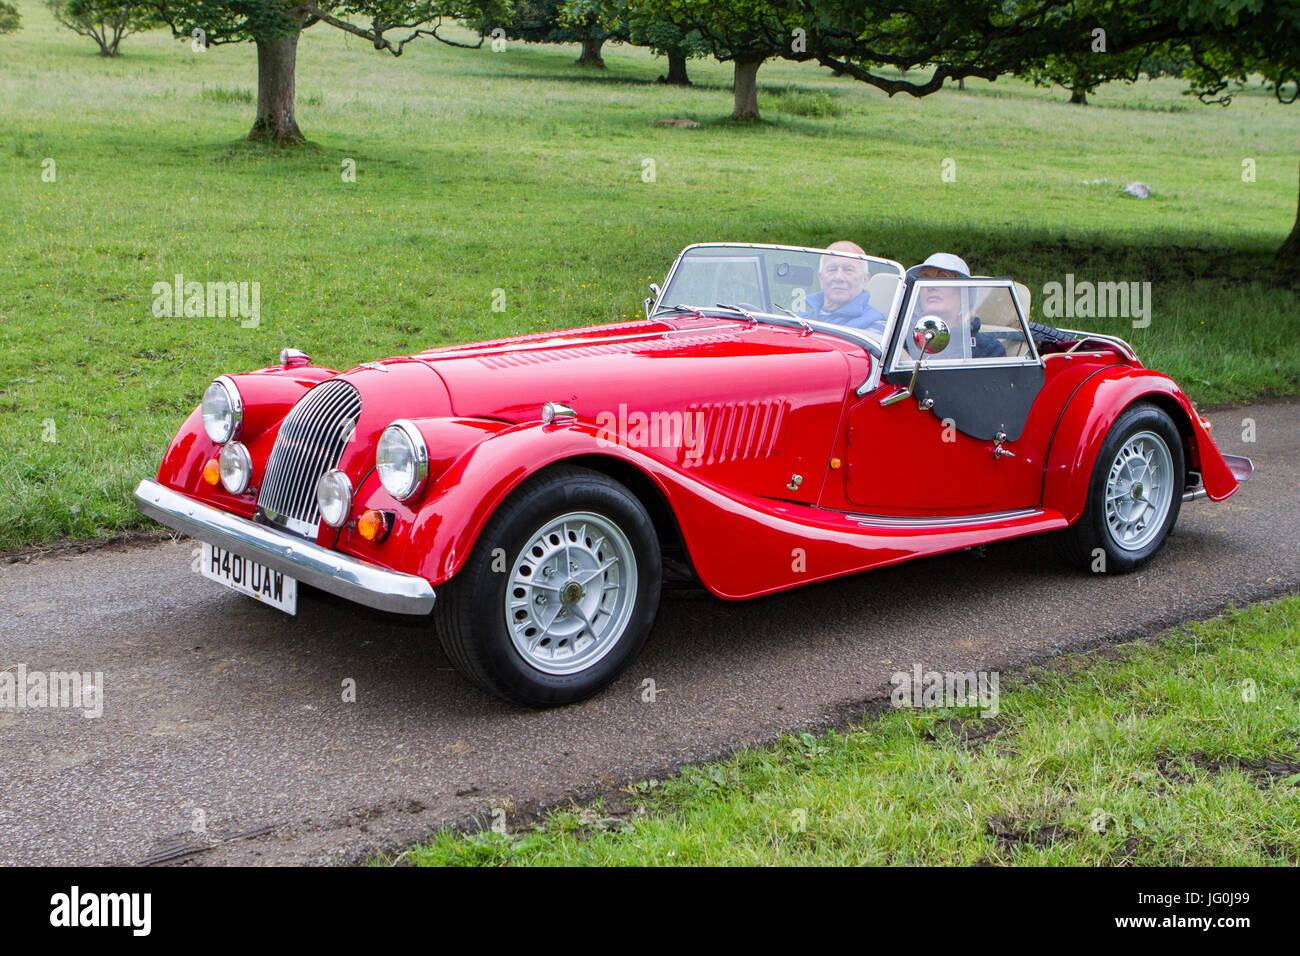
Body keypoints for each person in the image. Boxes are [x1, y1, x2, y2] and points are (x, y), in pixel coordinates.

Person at [902, 252, 1005, 358]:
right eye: (924, 279)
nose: (931, 286)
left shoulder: (988, 350)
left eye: (942, 278)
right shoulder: (902, 343)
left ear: (964, 294)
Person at [800, 240, 888, 335]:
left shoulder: (877, 327)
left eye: (848, 270)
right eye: (832, 269)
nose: (839, 277)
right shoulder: (798, 321)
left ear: (865, 280)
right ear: (821, 279)